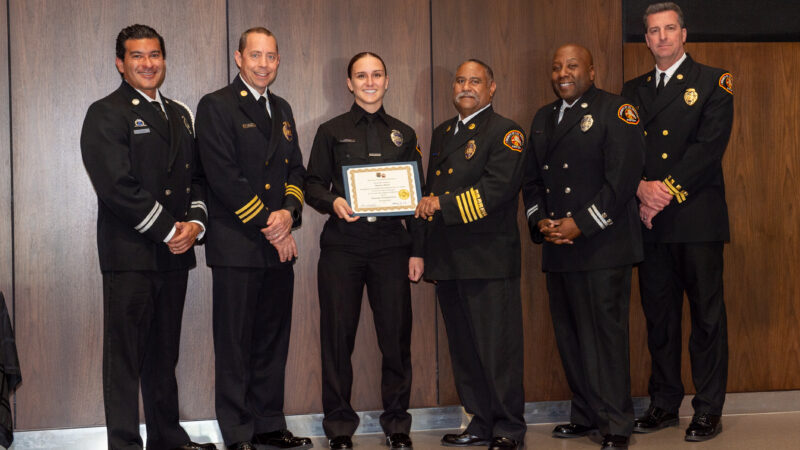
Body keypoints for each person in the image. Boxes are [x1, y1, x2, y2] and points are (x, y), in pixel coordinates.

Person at [80, 24, 214, 450]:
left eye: (154, 55)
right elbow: (116, 185)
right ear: (120, 63)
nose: (148, 63)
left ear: (164, 61)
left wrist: (194, 225)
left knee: (164, 356)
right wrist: (168, 229)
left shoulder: (180, 113)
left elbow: (197, 180)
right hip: (131, 254)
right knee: (125, 360)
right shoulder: (105, 112)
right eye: (137, 56)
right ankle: (123, 444)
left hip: (175, 255)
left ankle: (167, 438)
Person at [621, 2, 734, 442]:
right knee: (659, 318)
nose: (663, 37)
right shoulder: (631, 91)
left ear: (684, 34)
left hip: (696, 219)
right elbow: (623, 153)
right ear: (646, 39)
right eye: (654, 31)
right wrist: (639, 191)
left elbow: (708, 149)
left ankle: (708, 409)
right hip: (649, 224)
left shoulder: (713, 82)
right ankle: (665, 403)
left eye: (670, 29)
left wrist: (660, 193)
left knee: (707, 318)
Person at [523, 44, 645, 450]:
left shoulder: (616, 110)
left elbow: (623, 180)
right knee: (571, 336)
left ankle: (615, 424)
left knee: (605, 338)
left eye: (572, 66)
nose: (563, 73)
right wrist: (540, 222)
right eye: (556, 67)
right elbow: (532, 182)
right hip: (558, 245)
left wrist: (582, 224)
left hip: (602, 244)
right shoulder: (543, 118)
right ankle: (586, 413)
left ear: (592, 70)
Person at [195, 27, 311, 450]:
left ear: (278, 62)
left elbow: (296, 171)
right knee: (235, 345)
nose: (264, 64)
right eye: (255, 55)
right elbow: (224, 177)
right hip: (237, 245)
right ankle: (239, 432)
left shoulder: (282, 108)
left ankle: (268, 425)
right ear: (238, 58)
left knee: (272, 343)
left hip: (277, 245)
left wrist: (289, 213)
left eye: (271, 57)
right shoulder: (216, 106)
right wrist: (271, 225)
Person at [305, 52, 423, 450]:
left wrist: (417, 251)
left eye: (376, 75)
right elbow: (312, 184)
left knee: (396, 339)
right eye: (361, 76)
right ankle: (339, 427)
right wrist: (332, 202)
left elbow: (418, 200)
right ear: (349, 83)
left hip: (392, 246)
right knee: (338, 340)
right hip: (344, 247)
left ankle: (397, 424)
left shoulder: (404, 134)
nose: (369, 81)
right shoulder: (330, 130)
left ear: (387, 81)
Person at [415, 59, 526, 450]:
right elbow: (430, 185)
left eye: (475, 81)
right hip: (449, 259)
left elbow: (495, 192)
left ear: (491, 88)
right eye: (460, 80)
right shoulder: (443, 133)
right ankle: (480, 421)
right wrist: (423, 248)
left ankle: (509, 427)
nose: (466, 87)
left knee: (497, 350)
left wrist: (439, 205)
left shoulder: (506, 132)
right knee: (464, 350)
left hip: (487, 259)